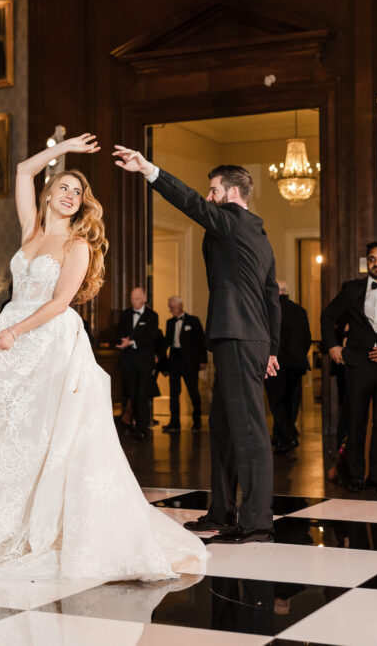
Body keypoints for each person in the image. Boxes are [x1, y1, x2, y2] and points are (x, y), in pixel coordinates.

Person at [0, 134, 206, 580]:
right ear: (49, 194)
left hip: (47, 339)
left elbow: (61, 303)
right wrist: (62, 149)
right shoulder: (30, 229)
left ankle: (38, 526)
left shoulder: (77, 244)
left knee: (43, 434)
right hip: (10, 338)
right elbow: (22, 171)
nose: (70, 197)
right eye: (64, 188)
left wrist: (13, 330)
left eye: (78, 193)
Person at [114, 145, 280, 545]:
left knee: (250, 431)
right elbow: (270, 295)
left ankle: (257, 520)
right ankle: (221, 515)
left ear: (232, 193)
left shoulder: (233, 221)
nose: (208, 196)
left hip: (240, 337)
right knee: (223, 429)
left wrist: (150, 170)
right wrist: (271, 348)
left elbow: (189, 203)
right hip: (243, 337)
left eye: (213, 189)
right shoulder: (257, 232)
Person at [321, 242, 377, 494]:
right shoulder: (351, 289)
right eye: (372, 259)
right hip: (357, 365)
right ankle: (355, 476)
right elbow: (328, 316)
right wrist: (332, 347)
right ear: (367, 263)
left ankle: (375, 476)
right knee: (356, 422)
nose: (376, 262)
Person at [265, 281, 311, 454]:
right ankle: (281, 437)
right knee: (291, 402)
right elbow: (307, 338)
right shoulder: (300, 310)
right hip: (297, 363)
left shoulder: (269, 310)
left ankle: (288, 436)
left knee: (276, 402)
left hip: (275, 362)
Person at [117, 287, 160, 440]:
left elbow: (151, 337)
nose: (133, 301)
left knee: (142, 395)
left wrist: (133, 342)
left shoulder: (152, 316)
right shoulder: (125, 315)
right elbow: (120, 332)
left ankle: (142, 428)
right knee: (132, 394)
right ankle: (133, 423)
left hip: (144, 362)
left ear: (144, 299)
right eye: (132, 298)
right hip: (128, 362)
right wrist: (122, 341)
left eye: (136, 298)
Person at [160, 296, 206, 433]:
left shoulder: (194, 321)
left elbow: (201, 342)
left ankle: (197, 422)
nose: (170, 310)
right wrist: (158, 355)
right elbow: (167, 341)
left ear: (180, 306)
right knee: (174, 393)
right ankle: (174, 422)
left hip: (190, 362)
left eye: (172, 307)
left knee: (193, 392)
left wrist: (203, 360)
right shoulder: (170, 322)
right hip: (174, 360)